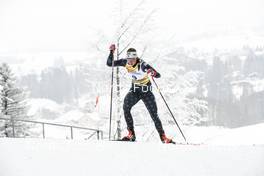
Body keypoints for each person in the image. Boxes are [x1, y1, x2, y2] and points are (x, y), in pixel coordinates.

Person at [106, 44, 174, 143]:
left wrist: (153, 73)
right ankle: (131, 135)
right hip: (135, 91)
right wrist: (111, 52)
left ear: (136, 58)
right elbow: (109, 63)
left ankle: (163, 137)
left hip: (146, 92)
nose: (131, 61)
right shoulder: (125, 62)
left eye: (133, 59)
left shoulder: (143, 65)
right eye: (129, 59)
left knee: (154, 115)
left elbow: (158, 75)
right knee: (126, 107)